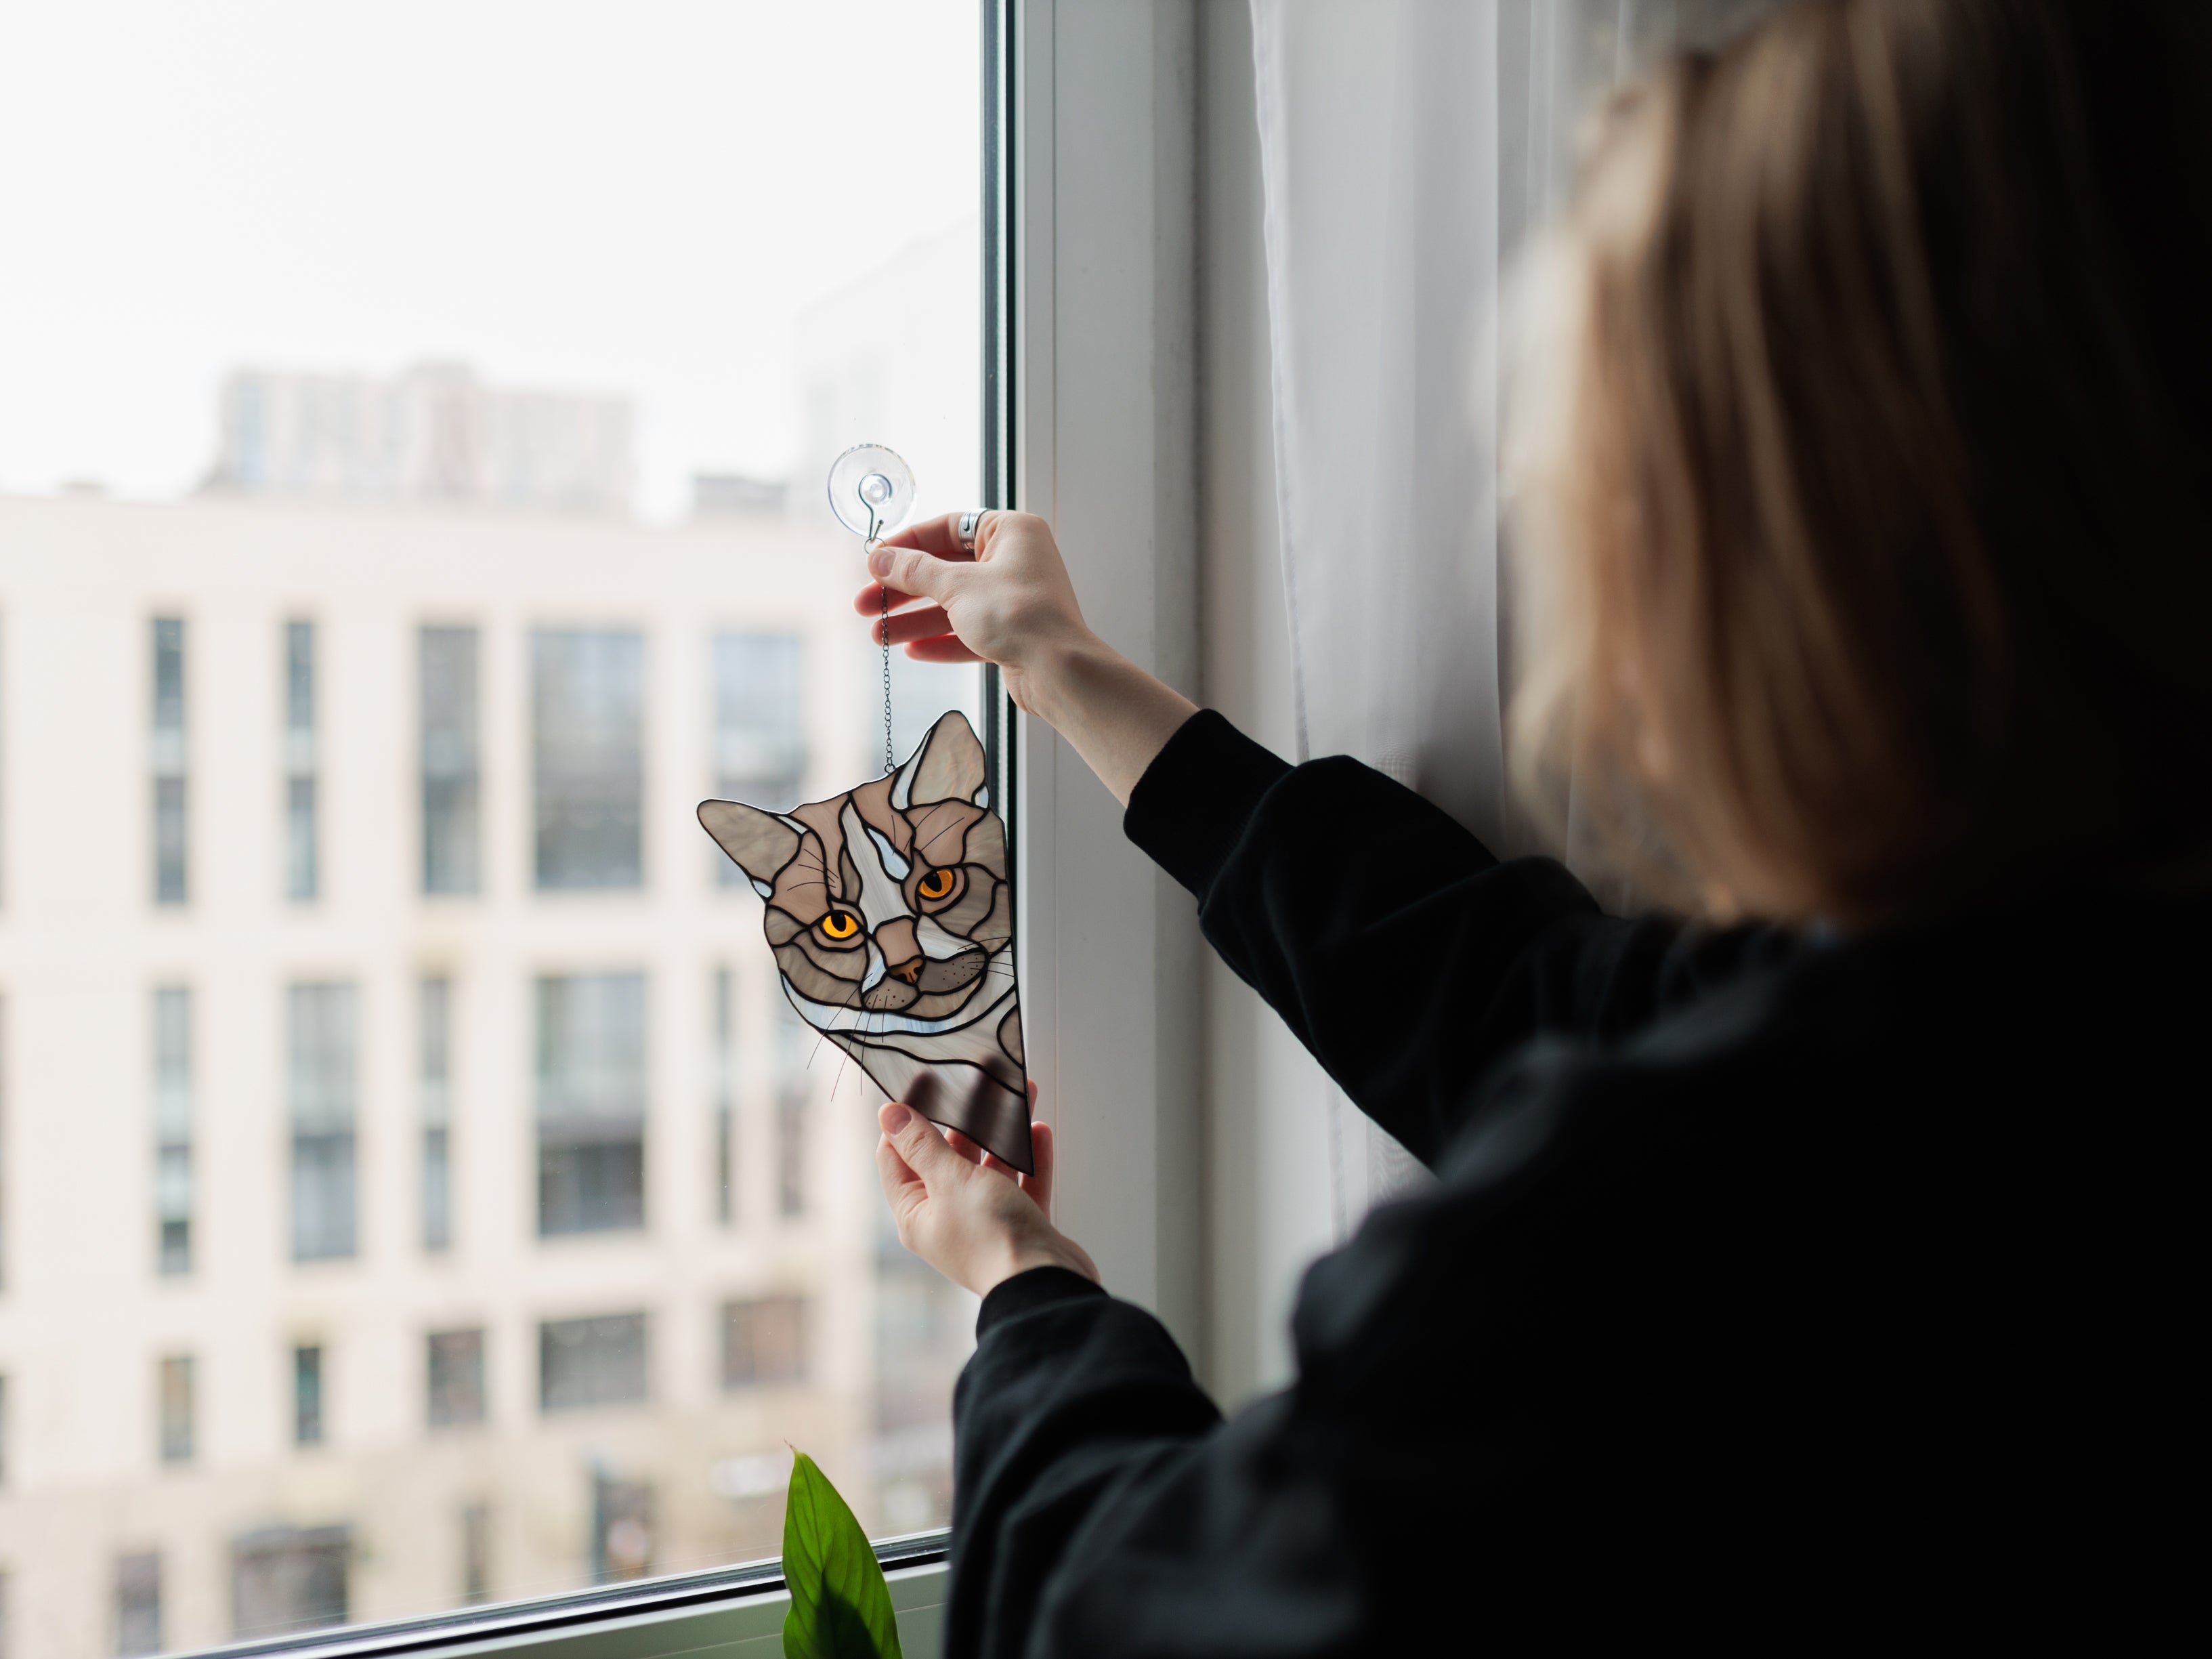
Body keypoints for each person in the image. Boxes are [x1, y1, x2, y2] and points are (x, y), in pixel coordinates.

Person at [859, 1, 2209, 1647]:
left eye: (1600, 517)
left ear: (1783, 576)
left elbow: (1124, 1615)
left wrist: (1022, 1290)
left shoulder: (1654, 1241)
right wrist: (1068, 670)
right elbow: (1527, 999)